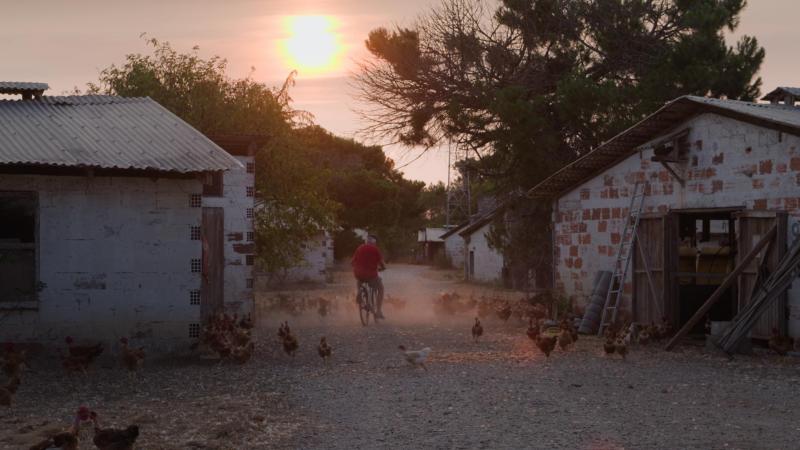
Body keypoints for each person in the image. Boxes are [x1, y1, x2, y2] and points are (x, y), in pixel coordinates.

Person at [351, 235, 386, 319]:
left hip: (358, 274)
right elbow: (381, 263)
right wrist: (383, 268)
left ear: (366, 242)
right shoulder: (375, 249)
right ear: (374, 243)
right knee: (381, 288)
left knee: (359, 279)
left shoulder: (359, 248)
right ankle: (378, 311)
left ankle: (359, 292)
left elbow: (352, 262)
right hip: (371, 275)